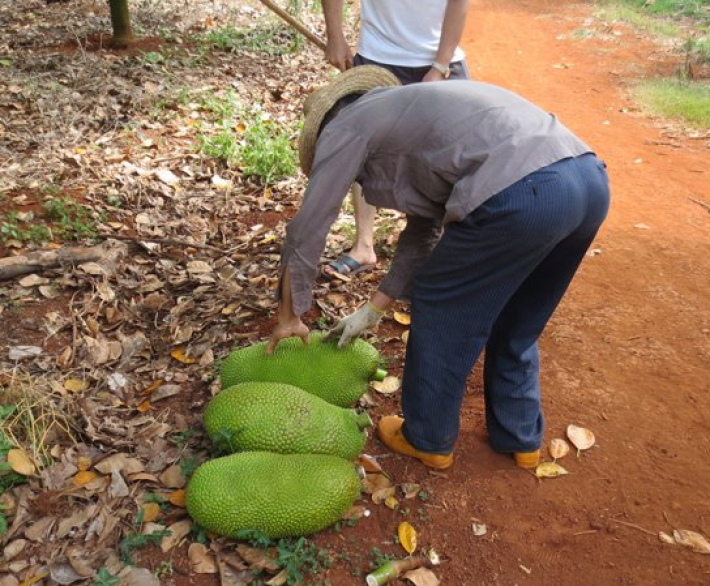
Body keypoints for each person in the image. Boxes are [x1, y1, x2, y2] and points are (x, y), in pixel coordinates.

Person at [267, 66, 610, 471]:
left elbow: (309, 226)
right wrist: (373, 309)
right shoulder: (410, 117)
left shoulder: (346, 128)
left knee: (440, 303)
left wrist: (290, 313)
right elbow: (423, 228)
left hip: (524, 193)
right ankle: (520, 437)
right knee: (518, 317)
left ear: (327, 123)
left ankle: (427, 438)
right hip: (587, 181)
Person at [321, 0, 471, 278]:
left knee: (446, 160)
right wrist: (335, 36)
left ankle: (432, 252)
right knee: (366, 154)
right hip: (377, 57)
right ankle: (364, 246)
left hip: (441, 60)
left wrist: (439, 66)